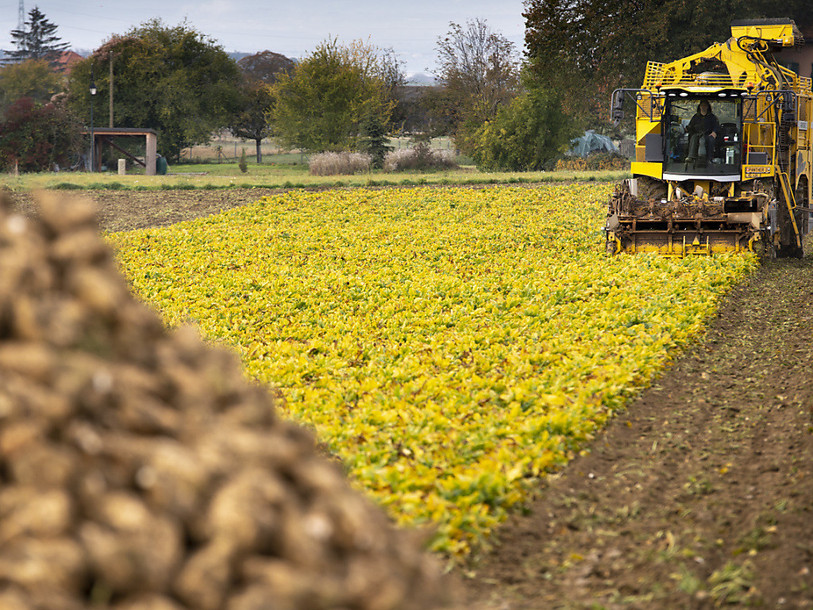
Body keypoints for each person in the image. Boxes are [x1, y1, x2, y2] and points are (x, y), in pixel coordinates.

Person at [685, 100, 720, 165]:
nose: (703, 107)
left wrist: (714, 132)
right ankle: (691, 157)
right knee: (693, 138)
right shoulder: (696, 116)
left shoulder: (712, 117)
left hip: (708, 134)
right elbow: (691, 126)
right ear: (700, 107)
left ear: (707, 107)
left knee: (711, 140)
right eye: (702, 105)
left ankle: (710, 158)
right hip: (697, 134)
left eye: (705, 105)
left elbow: (716, 126)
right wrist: (688, 128)